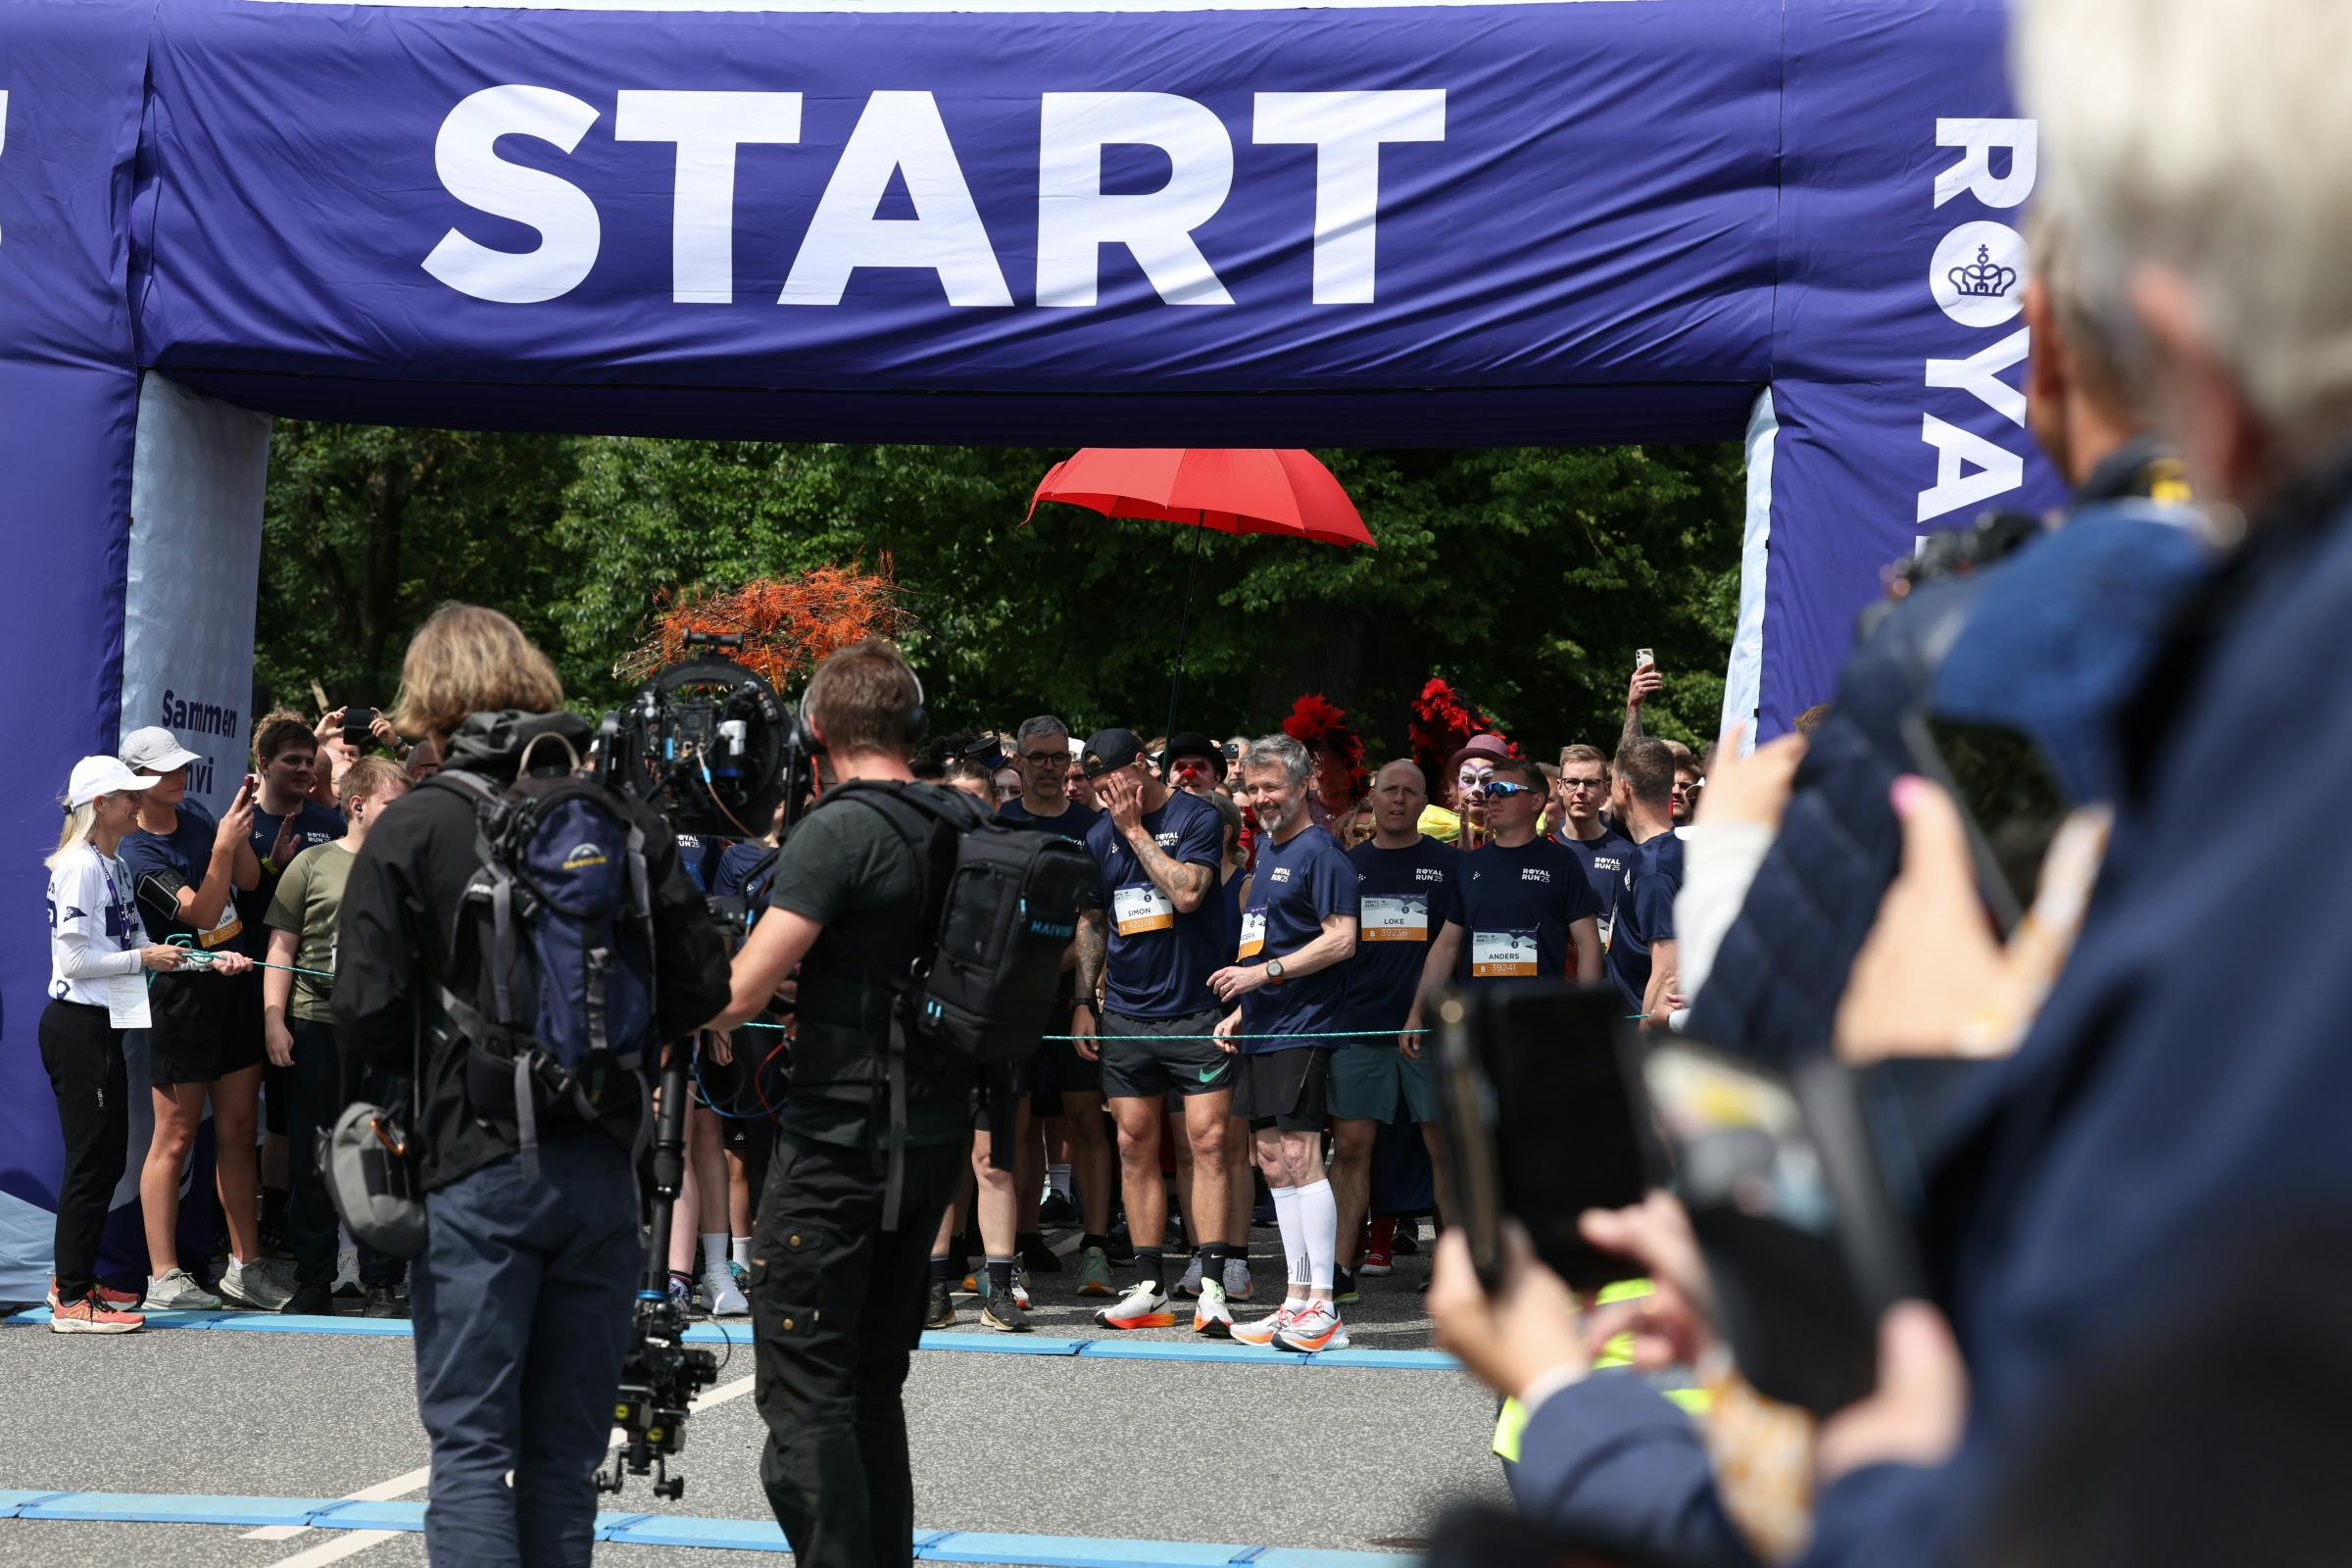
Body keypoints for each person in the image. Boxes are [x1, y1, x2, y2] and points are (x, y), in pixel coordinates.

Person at [336, 604, 731, 1567]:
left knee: (473, 1448)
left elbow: (365, 1015)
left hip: (474, 1161)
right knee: (565, 1454)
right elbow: (700, 991)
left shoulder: (413, 826)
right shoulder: (623, 822)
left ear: (433, 702)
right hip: (605, 1164)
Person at [707, 637, 983, 1568]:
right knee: (872, 1382)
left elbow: (739, 992)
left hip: (840, 1141)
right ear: (910, 721)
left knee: (807, 1391)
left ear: (815, 729)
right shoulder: (961, 822)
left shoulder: (839, 827)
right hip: (932, 1133)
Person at [1069, 726, 1238, 1335]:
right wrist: (1085, 998)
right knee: (1133, 1144)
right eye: (1093, 782)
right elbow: (1093, 919)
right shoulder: (1094, 835)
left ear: (1141, 767)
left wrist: (1135, 831)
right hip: (1128, 1015)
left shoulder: (1197, 817)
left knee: (1209, 1142)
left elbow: (1190, 892)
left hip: (1197, 1010)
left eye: (1110, 777)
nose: (1103, 790)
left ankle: (1213, 1282)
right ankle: (1147, 1283)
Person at [119, 726, 286, 1311]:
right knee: (177, 1135)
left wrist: (233, 831)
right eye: (166, 770)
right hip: (180, 1001)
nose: (180, 776)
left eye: (181, 765)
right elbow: (200, 910)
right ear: (136, 782)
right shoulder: (134, 851)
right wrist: (221, 845)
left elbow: (246, 881)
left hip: (234, 990)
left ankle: (247, 1266)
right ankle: (163, 1277)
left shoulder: (194, 811)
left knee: (240, 1131)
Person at [1209, 734, 1359, 1351]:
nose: (1262, 798)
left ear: (1303, 787)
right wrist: (1245, 1006)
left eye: (1273, 787)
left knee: (1301, 1156)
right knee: (1271, 1160)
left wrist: (1261, 977)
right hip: (1266, 1027)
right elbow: (1265, 939)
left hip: (1304, 1028)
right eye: (1253, 787)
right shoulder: (1267, 851)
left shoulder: (1322, 852)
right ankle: (1295, 1299)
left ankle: (1323, 1306)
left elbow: (1341, 939)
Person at [40, 756, 186, 1332]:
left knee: (107, 1159)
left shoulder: (114, 864)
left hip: (105, 1025)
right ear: (100, 805)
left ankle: (71, 1280)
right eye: (128, 795)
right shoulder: (78, 865)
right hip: (77, 1026)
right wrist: (145, 958)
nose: (137, 802)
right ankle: (73, 1300)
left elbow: (145, 943)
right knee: (90, 1161)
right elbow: (74, 960)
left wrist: (201, 960)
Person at [262, 755, 408, 1316]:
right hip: (317, 1026)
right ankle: (314, 1279)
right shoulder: (311, 863)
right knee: (315, 1157)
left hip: (390, 1032)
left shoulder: (412, 867)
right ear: (358, 805)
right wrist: (275, 1019)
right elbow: (281, 949)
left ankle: (381, 1283)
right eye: (395, 806)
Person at [997, 714, 1116, 1298]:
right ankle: (1014, 1247)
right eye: (1036, 757)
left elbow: (1094, 917)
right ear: (1017, 761)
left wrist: (1073, 990)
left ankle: (1094, 1247)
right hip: (1012, 1002)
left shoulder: (1092, 827)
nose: (1046, 767)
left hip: (1074, 997)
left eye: (1055, 758)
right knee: (1014, 1128)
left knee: (1086, 1121)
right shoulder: (999, 824)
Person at [1329, 760, 1456, 1300]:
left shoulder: (1450, 866)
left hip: (1429, 1031)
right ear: (1372, 798)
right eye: (1390, 791)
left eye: (1410, 792)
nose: (1399, 800)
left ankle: (1454, 1268)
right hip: (1359, 1027)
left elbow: (1455, 948)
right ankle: (1337, 1269)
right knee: (1352, 1148)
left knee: (1443, 1150)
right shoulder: (1345, 865)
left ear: (1425, 801)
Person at [242, 709, 348, 1259]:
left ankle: (284, 1220)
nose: (305, 770)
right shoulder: (241, 822)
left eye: (311, 761)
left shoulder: (331, 827)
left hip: (304, 999)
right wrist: (268, 863)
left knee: (288, 1116)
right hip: (243, 986)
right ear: (263, 764)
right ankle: (237, 1223)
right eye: (292, 761)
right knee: (239, 1115)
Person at [1403, 757, 1603, 1033]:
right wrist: (1416, 1013)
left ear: (1537, 802)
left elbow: (1588, 944)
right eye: (1489, 790)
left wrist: (1586, 1016)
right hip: (1479, 1024)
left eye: (1506, 790)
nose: (1493, 797)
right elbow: (1446, 947)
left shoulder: (1561, 861)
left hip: (1541, 1024)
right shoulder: (1469, 864)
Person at [1604, 739, 1683, 1023]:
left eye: (1610, 780)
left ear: (1624, 787)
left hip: (1642, 1030)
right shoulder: (1661, 851)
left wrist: (1644, 1039)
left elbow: (1668, 972)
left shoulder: (1654, 867)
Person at [1550, 745, 1637, 940]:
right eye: (1572, 782)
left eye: (1590, 783)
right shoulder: (1542, 848)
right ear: (1560, 787)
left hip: (1608, 969)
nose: (1581, 791)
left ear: (1605, 789)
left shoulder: (1627, 855)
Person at [1162, 731, 1225, 799]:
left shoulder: (1225, 809)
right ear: (1168, 779)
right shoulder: (1152, 809)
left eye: (1199, 767)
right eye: (1180, 767)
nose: (1189, 773)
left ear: (1216, 779)